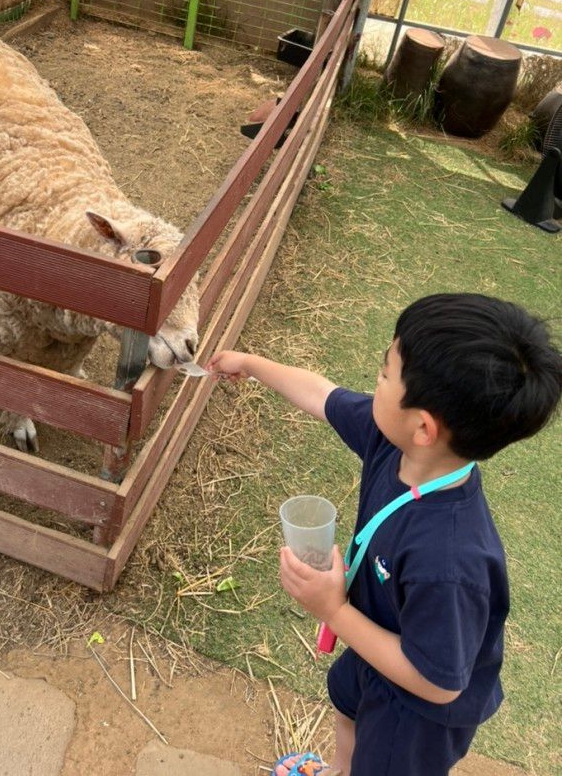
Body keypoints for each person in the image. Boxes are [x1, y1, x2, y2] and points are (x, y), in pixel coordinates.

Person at [208, 293, 562, 776]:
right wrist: (249, 363)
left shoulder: (450, 559)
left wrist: (332, 609)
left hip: (417, 713)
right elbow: (323, 395)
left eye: (384, 371)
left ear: (423, 427)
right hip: (377, 642)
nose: (375, 380)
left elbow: (438, 682)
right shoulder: (394, 444)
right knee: (348, 707)